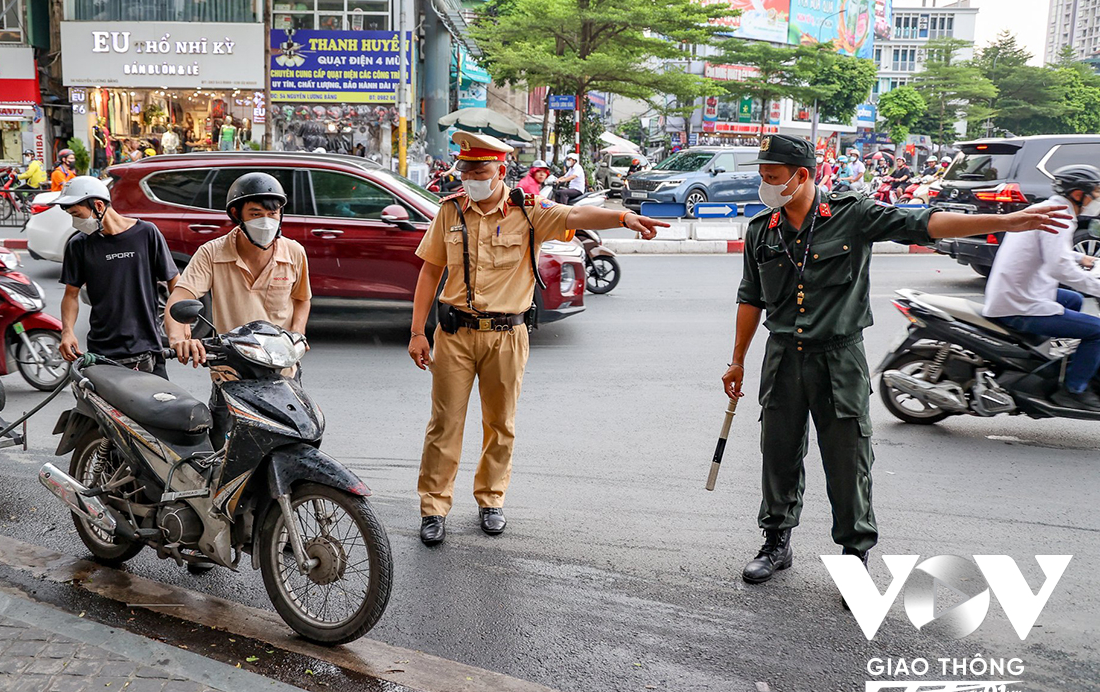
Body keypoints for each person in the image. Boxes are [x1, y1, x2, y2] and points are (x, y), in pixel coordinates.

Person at [722, 134, 1069, 595]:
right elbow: (751, 297)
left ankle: (854, 555)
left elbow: (925, 223)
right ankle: (776, 543)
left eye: (772, 177)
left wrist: (1009, 221)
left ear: (800, 175)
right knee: (779, 452)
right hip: (782, 356)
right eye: (762, 176)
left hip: (838, 357)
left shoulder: (852, 215)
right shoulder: (761, 230)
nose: (764, 185)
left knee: (848, 458)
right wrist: (737, 361)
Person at [408, 131, 669, 545]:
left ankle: (491, 500)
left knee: (500, 424)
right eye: (467, 169)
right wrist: (417, 331)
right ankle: (434, 507)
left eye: (481, 169)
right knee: (444, 424)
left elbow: (576, 217)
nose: (473, 176)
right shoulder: (451, 212)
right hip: (455, 334)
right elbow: (429, 270)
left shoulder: (529, 211)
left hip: (507, 336)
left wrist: (623, 218)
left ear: (501, 169)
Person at [983, 165, 1100, 410]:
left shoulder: (1048, 209)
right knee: (1098, 331)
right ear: (1078, 194)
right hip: (1019, 304)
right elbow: (1059, 268)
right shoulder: (1060, 216)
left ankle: (1045, 359)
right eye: (1095, 193)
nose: (1097, 198)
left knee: (1074, 301)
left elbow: (1052, 251)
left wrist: (1081, 259)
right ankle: (1074, 389)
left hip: (1016, 290)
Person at [166, 172, 311, 368]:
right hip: (230, 370)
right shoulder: (212, 253)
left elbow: (302, 299)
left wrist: (297, 334)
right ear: (236, 214)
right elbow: (180, 298)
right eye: (256, 214)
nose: (266, 222)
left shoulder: (294, 252)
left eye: (272, 214)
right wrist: (178, 340)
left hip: (282, 370)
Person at [57, 176, 180, 377]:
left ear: (98, 205)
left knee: (164, 405)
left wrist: (180, 326)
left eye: (77, 214)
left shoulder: (147, 233)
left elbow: (174, 282)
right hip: (102, 352)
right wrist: (67, 331)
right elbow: (71, 294)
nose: (75, 222)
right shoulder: (78, 245)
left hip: (148, 347)